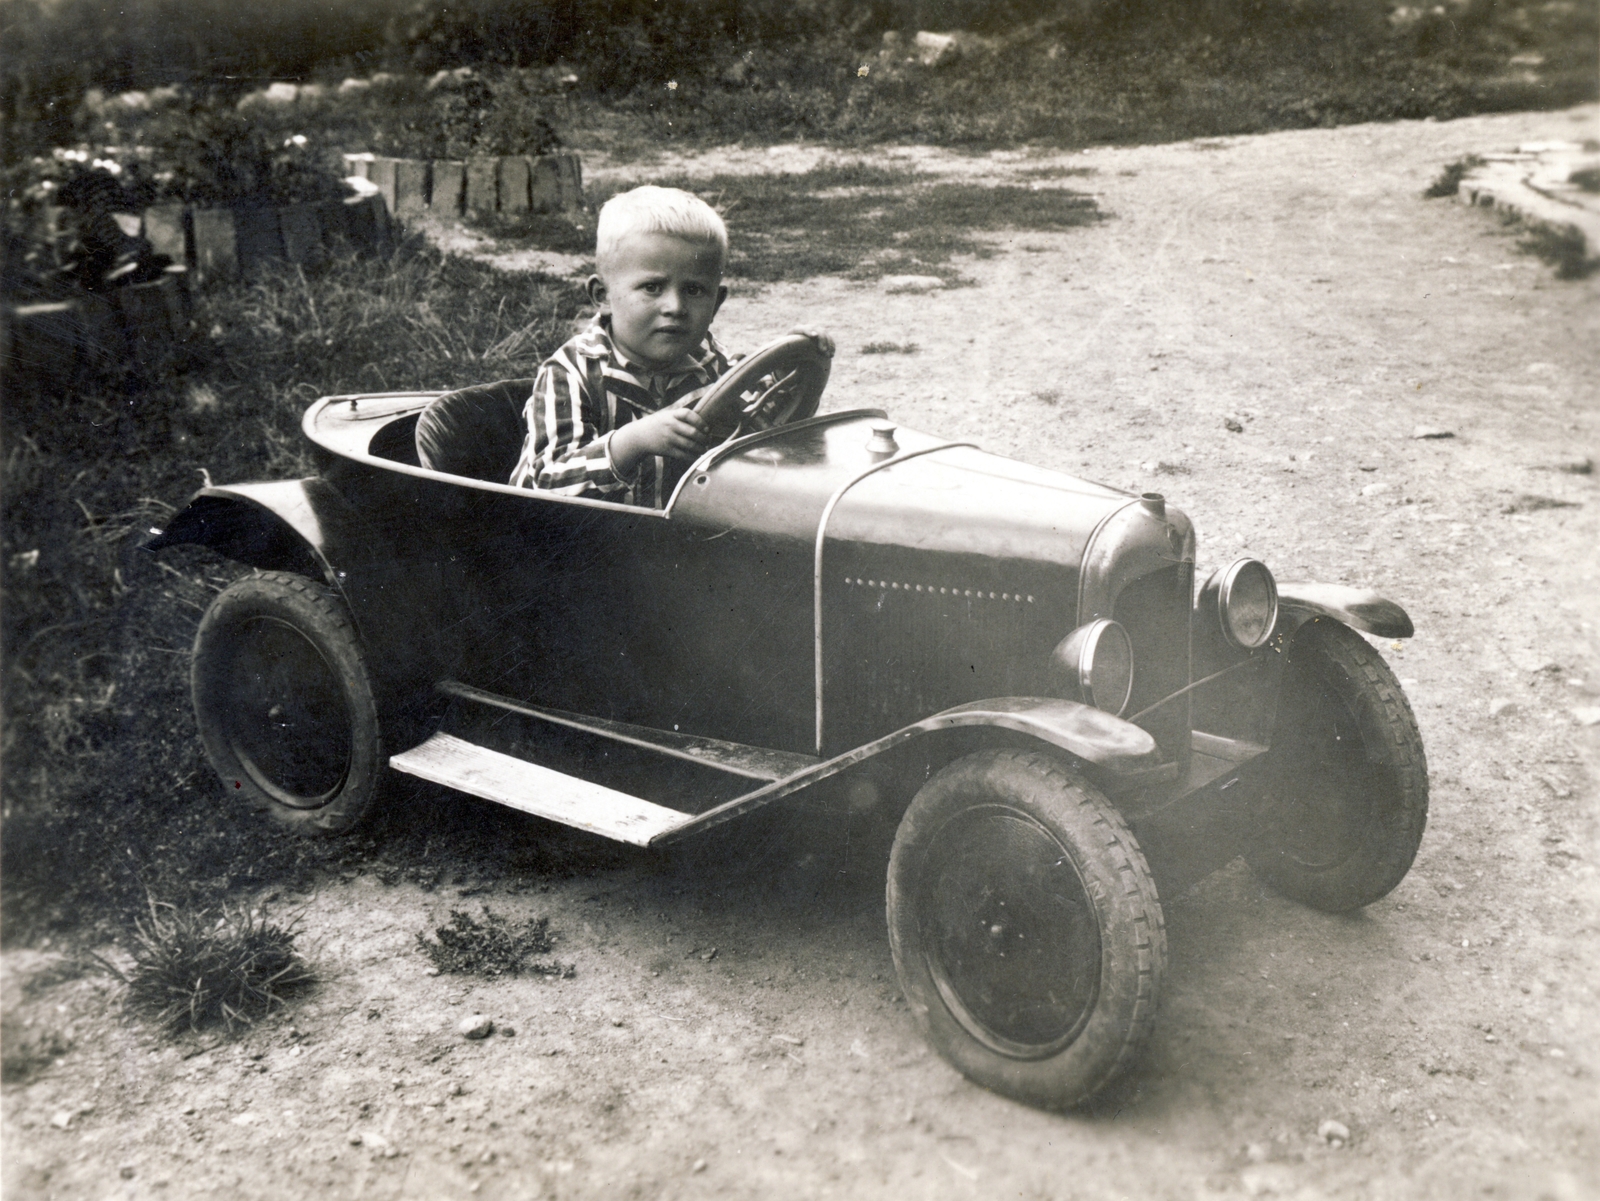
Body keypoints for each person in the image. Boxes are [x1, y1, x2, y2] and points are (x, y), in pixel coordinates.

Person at [509, 185, 830, 507]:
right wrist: (632, 442)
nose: (675, 306)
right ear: (602, 296)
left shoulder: (713, 366)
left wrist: (791, 375)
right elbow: (547, 484)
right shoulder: (569, 374)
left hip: (669, 538)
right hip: (570, 538)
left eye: (694, 290)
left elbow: (759, 441)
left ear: (716, 302)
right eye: (652, 287)